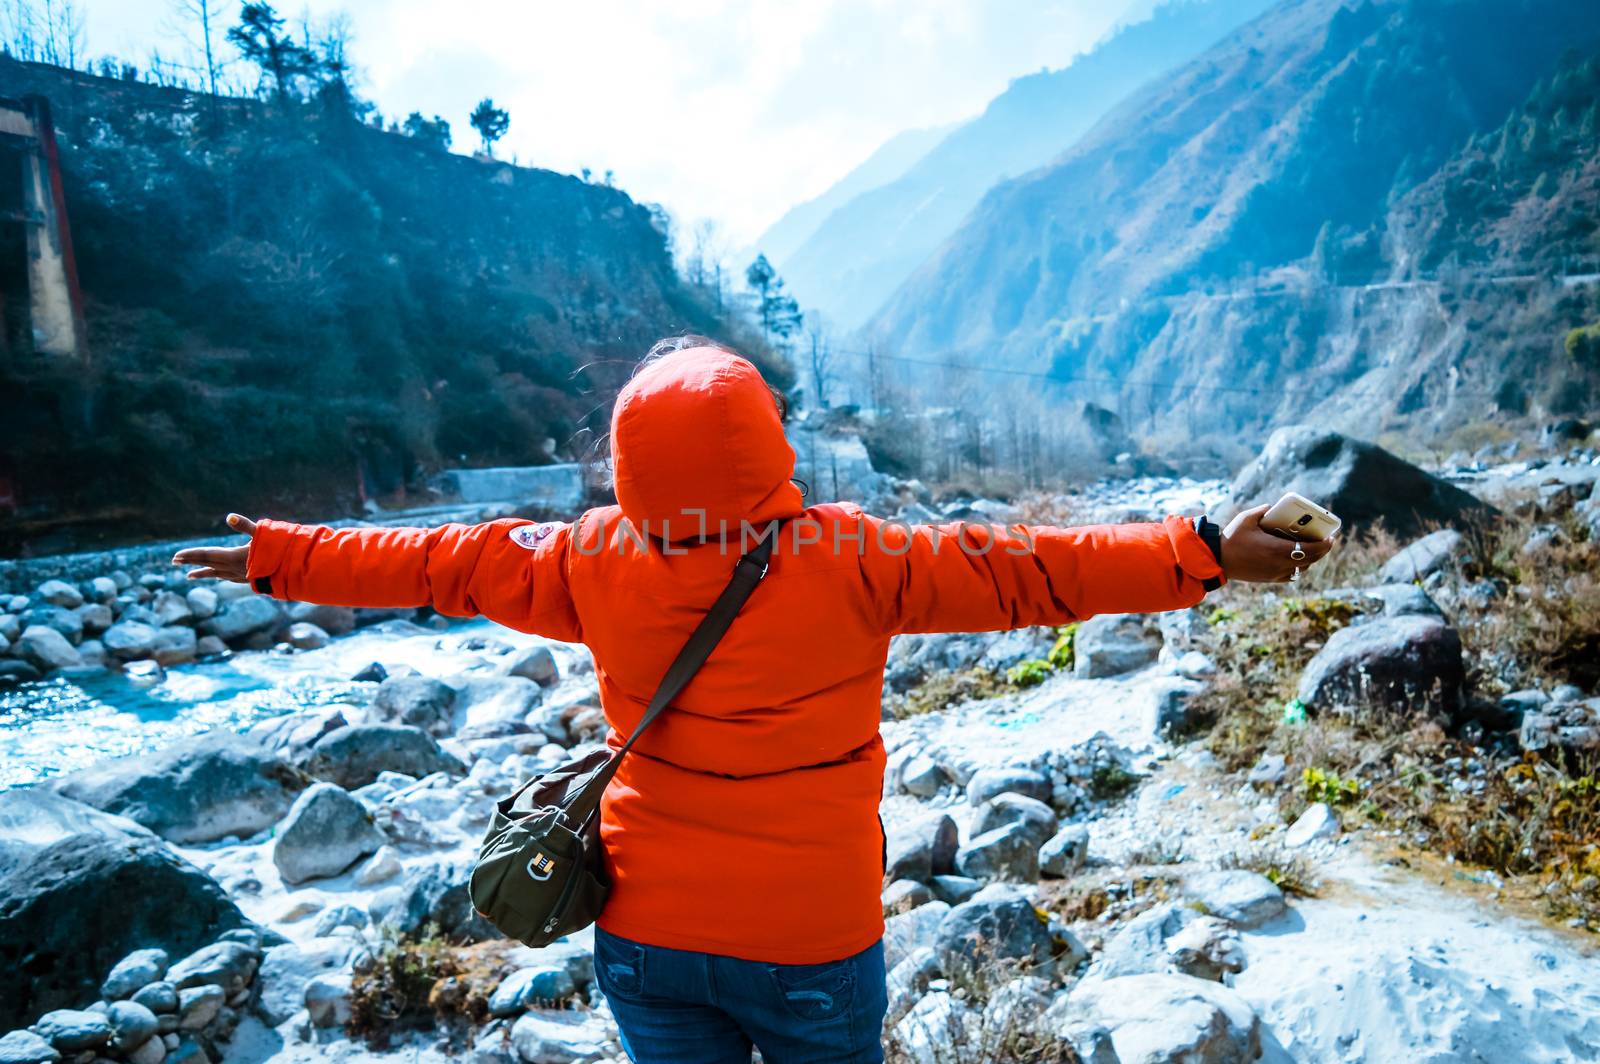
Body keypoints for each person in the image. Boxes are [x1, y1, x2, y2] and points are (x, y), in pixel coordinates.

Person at [174, 338, 1332, 1063]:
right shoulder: (859, 559)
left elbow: (435, 563)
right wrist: (1205, 550)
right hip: (810, 940)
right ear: (764, 442)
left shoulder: (584, 557)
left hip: (645, 935)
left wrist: (284, 555)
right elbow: (1036, 568)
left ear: (630, 462)